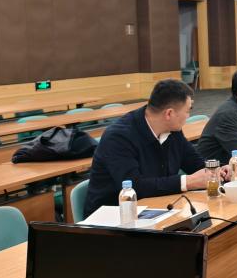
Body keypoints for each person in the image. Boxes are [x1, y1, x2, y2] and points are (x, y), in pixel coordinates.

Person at [84, 79, 226, 217]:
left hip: (157, 208)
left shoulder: (173, 130)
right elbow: (135, 187)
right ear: (169, 114)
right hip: (112, 218)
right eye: (188, 110)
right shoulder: (118, 137)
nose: (188, 116)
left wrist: (218, 171)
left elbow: (194, 162)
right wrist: (188, 182)